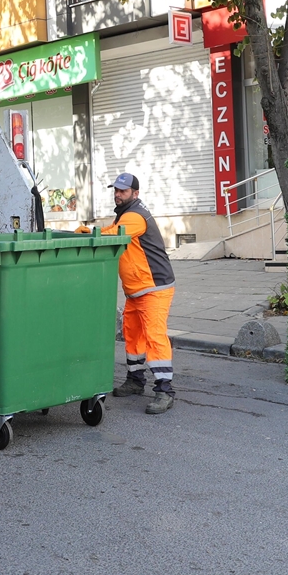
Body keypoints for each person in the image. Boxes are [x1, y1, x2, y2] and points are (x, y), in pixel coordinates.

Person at [78, 172, 176, 414]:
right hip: (137, 290)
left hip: (154, 288)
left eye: (123, 190)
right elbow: (110, 228)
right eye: (116, 190)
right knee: (133, 336)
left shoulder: (135, 215)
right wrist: (89, 230)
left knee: (154, 337)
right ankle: (135, 380)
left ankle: (165, 391)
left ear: (135, 193)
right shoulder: (124, 214)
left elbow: (112, 235)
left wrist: (88, 233)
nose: (118, 194)